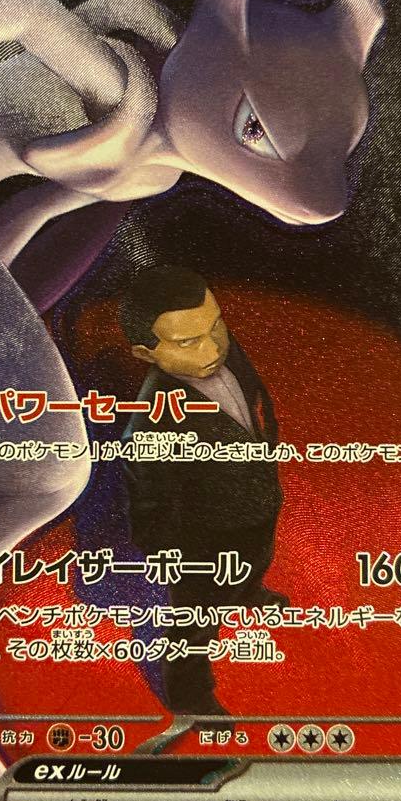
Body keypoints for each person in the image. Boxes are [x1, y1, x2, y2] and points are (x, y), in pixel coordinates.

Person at [118, 266, 289, 716]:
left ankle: (248, 591)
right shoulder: (149, 424)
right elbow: (149, 503)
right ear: (145, 353)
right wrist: (173, 557)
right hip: (203, 541)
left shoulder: (227, 352)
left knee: (258, 556)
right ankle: (190, 695)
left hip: (256, 503)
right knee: (194, 621)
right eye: (187, 342)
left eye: (216, 327)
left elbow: (255, 400)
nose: (212, 349)